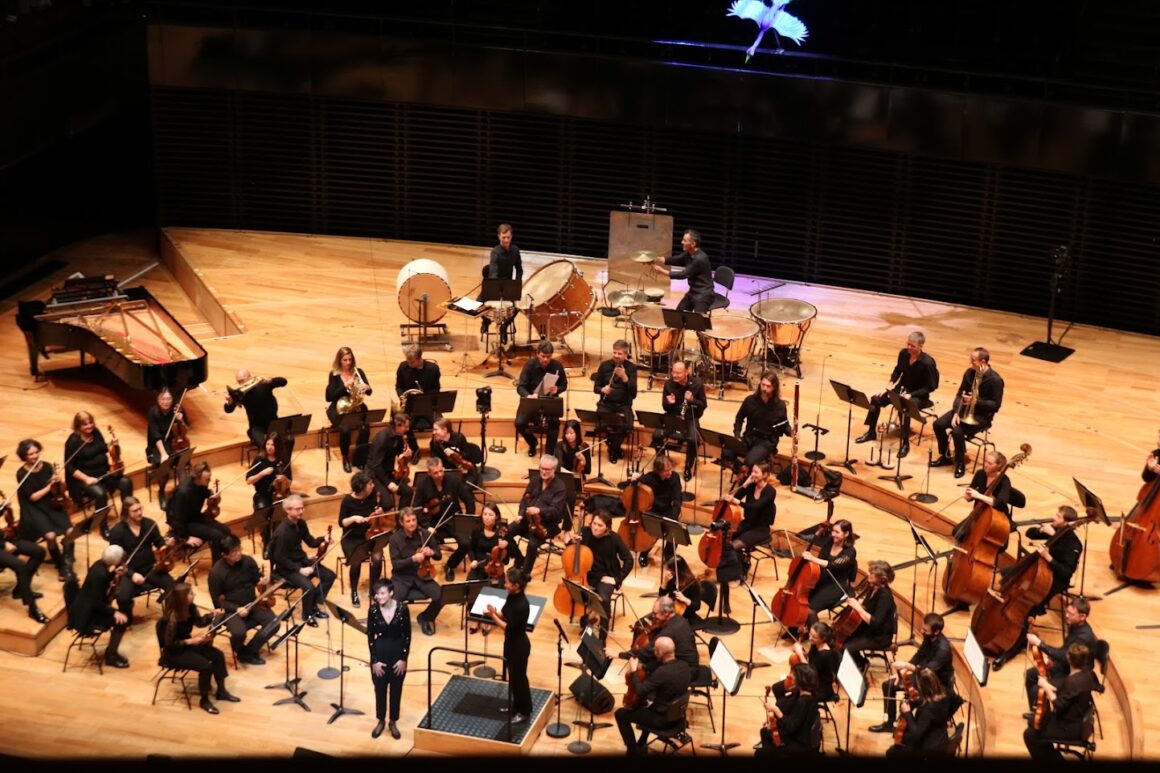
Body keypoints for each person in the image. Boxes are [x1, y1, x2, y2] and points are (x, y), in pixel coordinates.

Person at [992, 505, 1084, 671]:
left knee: (1027, 608)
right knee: (1006, 574)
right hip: (1039, 570)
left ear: (1067, 522)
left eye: (1058, 516)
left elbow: (1066, 572)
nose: (1054, 518)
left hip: (1053, 580)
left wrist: (1049, 557)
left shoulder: (1074, 544)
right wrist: (1044, 531)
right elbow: (1029, 533)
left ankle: (1010, 650)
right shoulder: (1055, 528)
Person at [157, 582, 239, 714]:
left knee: (217, 655)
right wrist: (192, 641)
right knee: (205, 667)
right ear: (182, 598)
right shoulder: (171, 618)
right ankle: (204, 700)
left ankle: (221, 691)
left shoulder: (190, 607)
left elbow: (199, 622)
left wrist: (212, 615)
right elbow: (169, 645)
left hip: (187, 645)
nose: (194, 595)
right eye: (190, 593)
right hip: (174, 653)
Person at [855, 332, 939, 459]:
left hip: (919, 396)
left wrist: (911, 395)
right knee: (875, 399)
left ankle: (905, 443)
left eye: (913, 346)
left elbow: (931, 386)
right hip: (901, 389)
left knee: (904, 407)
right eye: (908, 344)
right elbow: (898, 370)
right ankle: (871, 432)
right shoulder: (903, 354)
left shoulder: (928, 363)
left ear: (921, 346)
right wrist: (890, 383)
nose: (909, 348)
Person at [870, 612, 953, 732]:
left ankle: (912, 731)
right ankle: (889, 723)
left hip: (936, 685)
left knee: (907, 702)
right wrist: (902, 672)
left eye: (925, 630)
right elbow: (919, 656)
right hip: (923, 678)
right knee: (888, 685)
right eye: (923, 628)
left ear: (936, 632)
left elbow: (927, 671)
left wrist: (906, 665)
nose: (922, 631)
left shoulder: (943, 649)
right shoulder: (929, 637)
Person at [930, 348, 1004, 478]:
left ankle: (960, 463)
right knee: (938, 424)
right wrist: (956, 413)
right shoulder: (970, 373)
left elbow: (995, 405)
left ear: (983, 361)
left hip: (981, 416)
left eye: (973, 360)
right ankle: (946, 455)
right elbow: (960, 395)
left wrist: (976, 402)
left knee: (957, 431)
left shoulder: (995, 380)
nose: (970, 363)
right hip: (963, 411)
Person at [614, 635, 692, 755]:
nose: (653, 652)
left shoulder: (662, 672)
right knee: (647, 704)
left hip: (663, 720)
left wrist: (634, 670)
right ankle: (642, 742)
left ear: (660, 652)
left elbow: (640, 690)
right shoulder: (684, 666)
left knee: (620, 714)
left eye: (655, 650)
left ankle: (632, 751)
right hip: (678, 716)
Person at [1023, 643, 1100, 762]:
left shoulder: (1072, 681)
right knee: (1033, 722)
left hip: (1070, 726)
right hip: (1077, 718)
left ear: (1068, 659)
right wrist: (1048, 686)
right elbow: (1069, 695)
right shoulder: (1087, 674)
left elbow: (1058, 706)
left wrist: (1046, 687)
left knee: (1029, 735)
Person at [207, 535, 277, 666]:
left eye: (239, 549)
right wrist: (236, 609)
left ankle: (248, 652)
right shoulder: (216, 573)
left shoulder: (248, 561)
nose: (238, 553)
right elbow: (217, 602)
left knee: (274, 623)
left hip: (251, 603)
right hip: (230, 610)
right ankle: (241, 652)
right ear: (224, 555)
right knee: (239, 633)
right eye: (234, 552)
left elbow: (256, 579)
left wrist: (263, 582)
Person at [563, 511, 632, 639]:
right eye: (594, 523)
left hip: (605, 577)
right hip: (586, 575)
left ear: (607, 527)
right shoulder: (585, 532)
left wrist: (617, 579)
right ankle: (586, 619)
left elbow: (629, 560)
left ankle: (602, 637)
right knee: (576, 590)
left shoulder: (614, 538)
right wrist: (571, 542)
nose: (595, 527)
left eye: (600, 525)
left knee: (604, 600)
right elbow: (571, 552)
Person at [270, 494, 335, 626]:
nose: (301, 511)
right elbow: (279, 558)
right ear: (288, 510)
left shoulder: (301, 523)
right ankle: (307, 614)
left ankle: (314, 605)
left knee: (329, 576)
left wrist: (324, 539)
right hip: (287, 568)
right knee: (309, 587)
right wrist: (300, 570)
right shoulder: (282, 532)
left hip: (301, 561)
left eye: (302, 508)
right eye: (297, 509)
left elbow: (310, 542)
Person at [108, 496, 176, 623]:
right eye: (135, 511)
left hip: (150, 568)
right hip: (128, 571)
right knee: (122, 598)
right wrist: (132, 574)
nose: (139, 513)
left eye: (140, 509)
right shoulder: (117, 531)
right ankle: (127, 620)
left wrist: (166, 545)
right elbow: (116, 559)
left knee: (173, 586)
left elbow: (159, 542)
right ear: (126, 513)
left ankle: (168, 619)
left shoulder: (149, 524)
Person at [63, 411, 134, 534]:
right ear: (78, 426)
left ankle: (125, 517)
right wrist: (86, 479)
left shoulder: (95, 433)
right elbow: (69, 467)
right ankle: (103, 526)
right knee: (100, 493)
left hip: (104, 473)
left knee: (126, 482)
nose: (89, 426)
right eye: (85, 424)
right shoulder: (73, 440)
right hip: (84, 479)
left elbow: (103, 448)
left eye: (90, 422)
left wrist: (113, 445)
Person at [15, 438, 75, 581]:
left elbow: (57, 490)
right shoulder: (22, 474)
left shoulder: (47, 466)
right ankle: (61, 566)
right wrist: (49, 487)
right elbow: (33, 497)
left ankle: (67, 561)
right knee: (50, 536)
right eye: (30, 454)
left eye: (36, 452)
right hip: (34, 508)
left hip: (51, 503)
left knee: (70, 532)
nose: (35, 456)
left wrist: (58, 483)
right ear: (24, 456)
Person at [1023, 597, 1096, 711]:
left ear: (1082, 617)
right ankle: (1037, 712)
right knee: (1030, 674)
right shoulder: (1075, 625)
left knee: (1037, 689)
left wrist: (1040, 644)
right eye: (1067, 611)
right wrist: (1051, 658)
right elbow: (1065, 649)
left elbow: (1065, 656)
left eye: (1071, 614)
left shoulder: (1084, 637)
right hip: (1066, 665)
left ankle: (1044, 720)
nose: (1066, 615)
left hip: (1075, 673)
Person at [412, 457, 475, 581]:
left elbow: (468, 499)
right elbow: (417, 508)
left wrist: (468, 518)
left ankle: (450, 566)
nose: (440, 474)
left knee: (465, 543)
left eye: (441, 471)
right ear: (429, 473)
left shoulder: (453, 481)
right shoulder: (423, 485)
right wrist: (426, 526)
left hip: (453, 519)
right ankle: (426, 569)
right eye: (436, 472)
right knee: (426, 546)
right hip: (433, 523)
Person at [69, 544, 130, 668]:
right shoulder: (100, 576)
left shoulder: (99, 564)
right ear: (116, 561)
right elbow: (96, 603)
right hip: (86, 616)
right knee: (121, 621)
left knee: (120, 616)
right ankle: (111, 656)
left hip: (86, 606)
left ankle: (111, 653)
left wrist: (116, 575)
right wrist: (114, 612)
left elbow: (105, 582)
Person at [485, 567, 533, 724]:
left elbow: (509, 627)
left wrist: (492, 617)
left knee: (519, 680)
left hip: (519, 646)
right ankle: (516, 707)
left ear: (516, 585)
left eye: (507, 583)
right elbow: (505, 614)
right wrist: (495, 612)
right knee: (513, 678)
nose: (504, 585)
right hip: (511, 643)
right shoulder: (512, 597)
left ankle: (524, 711)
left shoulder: (522, 605)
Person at [506, 455, 567, 577]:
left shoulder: (560, 488)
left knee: (533, 544)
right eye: (542, 468)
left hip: (546, 525)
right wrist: (520, 514)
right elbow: (525, 498)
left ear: (554, 469)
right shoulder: (535, 480)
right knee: (505, 532)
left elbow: (556, 511)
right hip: (528, 520)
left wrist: (539, 510)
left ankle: (525, 573)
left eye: (547, 469)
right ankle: (519, 559)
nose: (543, 472)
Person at [388, 508, 443, 636]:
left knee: (441, 596)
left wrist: (432, 552)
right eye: (408, 521)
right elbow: (396, 565)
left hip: (423, 575)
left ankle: (425, 617)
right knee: (393, 602)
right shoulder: (394, 539)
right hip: (402, 577)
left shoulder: (424, 534)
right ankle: (396, 625)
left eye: (414, 520)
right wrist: (411, 559)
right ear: (401, 523)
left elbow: (439, 555)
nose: (412, 523)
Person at [368, 579, 411, 740]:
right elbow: (371, 637)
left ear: (391, 593)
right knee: (379, 690)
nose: (379, 596)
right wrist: (374, 661)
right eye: (377, 594)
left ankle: (393, 721)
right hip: (380, 654)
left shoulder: (402, 609)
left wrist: (403, 658)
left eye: (382, 593)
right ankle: (380, 720)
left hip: (397, 655)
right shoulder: (372, 610)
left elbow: (407, 635)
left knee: (396, 690)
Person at [610, 596, 699, 671]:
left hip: (685, 670)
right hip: (686, 662)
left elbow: (645, 652)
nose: (653, 616)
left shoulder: (669, 632)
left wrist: (618, 655)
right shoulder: (679, 619)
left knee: (646, 666)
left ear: (666, 613)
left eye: (655, 613)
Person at [166, 461, 231, 564]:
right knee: (216, 535)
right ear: (198, 477)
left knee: (226, 530)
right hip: (185, 524)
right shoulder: (183, 492)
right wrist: (186, 538)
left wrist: (211, 494)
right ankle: (217, 568)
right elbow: (178, 519)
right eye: (207, 479)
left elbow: (203, 492)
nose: (209, 480)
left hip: (195, 517)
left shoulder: (200, 484)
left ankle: (227, 560)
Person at [836, 560, 897, 671]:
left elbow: (875, 623)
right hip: (867, 629)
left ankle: (861, 663)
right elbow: (867, 608)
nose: (868, 574)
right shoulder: (873, 587)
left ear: (882, 579)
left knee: (845, 648)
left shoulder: (885, 597)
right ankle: (851, 662)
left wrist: (858, 608)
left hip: (879, 636)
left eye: (872, 574)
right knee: (840, 639)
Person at [338, 471, 387, 607]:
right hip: (352, 537)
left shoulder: (374, 495)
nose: (373, 485)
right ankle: (354, 590)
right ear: (362, 487)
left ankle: (374, 588)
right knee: (357, 559)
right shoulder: (348, 500)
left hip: (370, 535)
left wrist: (380, 513)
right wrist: (354, 518)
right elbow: (341, 522)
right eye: (370, 484)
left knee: (377, 556)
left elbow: (381, 516)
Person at [654, 360, 707, 481]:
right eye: (673, 372)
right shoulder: (669, 384)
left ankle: (688, 466)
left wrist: (692, 400)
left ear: (686, 372)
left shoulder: (696, 384)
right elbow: (664, 406)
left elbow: (703, 405)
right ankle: (662, 465)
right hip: (673, 416)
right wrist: (669, 403)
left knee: (694, 440)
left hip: (689, 418)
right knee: (656, 435)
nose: (675, 375)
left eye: (678, 373)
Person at [515, 341, 568, 457]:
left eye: (548, 357)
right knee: (519, 423)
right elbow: (521, 387)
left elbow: (564, 385)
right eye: (543, 356)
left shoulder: (557, 366)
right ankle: (533, 443)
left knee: (554, 423)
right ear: (537, 354)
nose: (545, 359)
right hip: (532, 401)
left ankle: (549, 453)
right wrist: (528, 396)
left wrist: (557, 389)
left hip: (549, 400)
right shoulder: (529, 365)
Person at [886, 667, 954, 757]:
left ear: (922, 688)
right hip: (940, 738)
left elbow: (916, 734)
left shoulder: (929, 709)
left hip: (929, 750)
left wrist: (907, 713)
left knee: (891, 753)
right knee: (902, 738)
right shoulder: (943, 693)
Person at [325, 346, 373, 474]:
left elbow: (369, 392)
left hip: (355, 406)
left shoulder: (358, 372)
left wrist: (367, 387)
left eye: (350, 360)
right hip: (338, 407)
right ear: (339, 360)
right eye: (345, 360)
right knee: (345, 429)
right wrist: (344, 386)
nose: (348, 363)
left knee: (364, 428)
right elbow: (329, 397)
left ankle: (359, 455)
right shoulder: (334, 375)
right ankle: (345, 457)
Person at [629, 454, 682, 567]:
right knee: (652, 531)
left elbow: (677, 499)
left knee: (674, 529)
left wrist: (674, 517)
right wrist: (633, 479)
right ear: (658, 471)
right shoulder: (649, 478)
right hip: (653, 509)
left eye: (670, 469)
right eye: (666, 471)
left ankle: (668, 554)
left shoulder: (675, 477)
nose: (669, 472)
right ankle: (644, 552)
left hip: (668, 509)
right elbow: (633, 487)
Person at [802, 519, 858, 626]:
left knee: (810, 610)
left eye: (837, 532)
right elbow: (821, 558)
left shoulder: (850, 552)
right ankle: (796, 629)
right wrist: (817, 534)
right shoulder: (829, 542)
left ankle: (818, 638)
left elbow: (833, 564)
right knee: (801, 603)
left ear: (846, 534)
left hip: (835, 585)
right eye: (832, 531)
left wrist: (812, 558)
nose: (833, 534)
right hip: (819, 580)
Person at [224, 369, 294, 454]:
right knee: (267, 445)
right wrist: (230, 403)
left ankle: (285, 466)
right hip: (257, 427)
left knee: (288, 440)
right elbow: (228, 410)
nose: (241, 383)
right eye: (239, 382)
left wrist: (271, 380)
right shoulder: (240, 394)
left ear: (250, 377)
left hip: (273, 422)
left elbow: (284, 381)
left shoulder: (263, 385)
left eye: (243, 380)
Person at [758, 662, 821, 755]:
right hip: (799, 733)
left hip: (801, 744)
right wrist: (775, 723)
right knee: (764, 732)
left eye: (792, 677)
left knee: (760, 753)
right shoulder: (809, 694)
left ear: (800, 680)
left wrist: (775, 710)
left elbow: (791, 726)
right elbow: (795, 719)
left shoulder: (803, 701)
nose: (789, 678)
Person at [733, 372, 792, 470]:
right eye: (763, 385)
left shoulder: (780, 406)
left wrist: (792, 433)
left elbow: (784, 425)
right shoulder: (750, 400)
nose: (764, 389)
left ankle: (746, 475)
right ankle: (743, 473)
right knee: (727, 453)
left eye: (768, 386)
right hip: (750, 436)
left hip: (766, 441)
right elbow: (739, 418)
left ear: (774, 387)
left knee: (749, 461)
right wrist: (737, 435)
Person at [244, 431, 291, 557]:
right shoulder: (260, 459)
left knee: (278, 517)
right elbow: (248, 480)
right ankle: (267, 543)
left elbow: (290, 481)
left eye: (273, 445)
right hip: (263, 494)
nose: (269, 447)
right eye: (268, 444)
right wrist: (262, 473)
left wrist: (284, 479)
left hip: (279, 494)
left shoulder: (283, 460)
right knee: (264, 516)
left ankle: (276, 543)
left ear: (278, 447)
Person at [593, 339, 637, 463]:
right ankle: (615, 448)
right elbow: (595, 388)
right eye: (615, 353)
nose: (616, 356)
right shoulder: (604, 366)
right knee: (600, 425)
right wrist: (602, 389)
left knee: (627, 426)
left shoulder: (632, 368)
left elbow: (633, 394)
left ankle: (613, 447)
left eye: (620, 353)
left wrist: (624, 377)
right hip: (606, 404)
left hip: (623, 406)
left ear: (626, 354)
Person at [774, 622, 840, 703]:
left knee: (784, 700)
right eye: (810, 634)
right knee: (776, 688)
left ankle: (791, 711)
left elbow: (811, 672)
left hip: (818, 688)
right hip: (808, 681)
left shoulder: (826, 654)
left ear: (823, 638)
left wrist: (800, 653)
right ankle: (787, 710)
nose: (810, 638)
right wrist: (801, 650)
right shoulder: (815, 645)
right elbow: (810, 659)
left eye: (814, 636)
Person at [651, 229, 713, 313]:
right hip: (693, 291)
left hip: (704, 294)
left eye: (684, 240)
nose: (681, 242)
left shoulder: (700, 259)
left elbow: (683, 275)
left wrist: (661, 271)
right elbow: (675, 259)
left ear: (693, 244)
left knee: (698, 321)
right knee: (678, 316)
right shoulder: (688, 253)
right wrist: (654, 259)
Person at [145, 387, 188, 505]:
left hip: (175, 442)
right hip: (157, 445)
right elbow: (155, 435)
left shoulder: (178, 410)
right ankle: (161, 492)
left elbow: (186, 428)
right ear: (158, 400)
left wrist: (181, 419)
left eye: (168, 398)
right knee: (165, 466)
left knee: (181, 465)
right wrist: (163, 453)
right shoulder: (153, 412)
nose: (166, 402)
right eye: (163, 399)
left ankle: (183, 495)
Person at [481, 223, 522, 344]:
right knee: (478, 305)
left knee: (518, 307)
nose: (506, 240)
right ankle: (486, 321)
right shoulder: (495, 252)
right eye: (503, 237)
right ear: (499, 237)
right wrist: (496, 289)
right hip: (495, 284)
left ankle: (504, 326)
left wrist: (517, 284)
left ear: (511, 237)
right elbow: (493, 272)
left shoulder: (515, 250)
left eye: (508, 237)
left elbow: (519, 269)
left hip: (509, 285)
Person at [368, 413, 419, 510]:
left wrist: (405, 454)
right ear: (398, 425)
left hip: (389, 472)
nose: (408, 429)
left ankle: (401, 520)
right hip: (375, 474)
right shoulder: (382, 438)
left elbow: (397, 452)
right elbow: (376, 465)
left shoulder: (399, 435)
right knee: (387, 504)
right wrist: (388, 483)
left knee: (409, 492)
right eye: (406, 427)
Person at [1, 522, 49, 622]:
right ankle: (32, 608)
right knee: (20, 566)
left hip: (4, 539)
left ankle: (20, 590)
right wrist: (3, 544)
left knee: (39, 552)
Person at [726, 462, 777, 552]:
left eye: (756, 472)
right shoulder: (751, 486)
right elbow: (737, 497)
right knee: (725, 539)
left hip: (760, 529)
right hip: (747, 523)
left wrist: (738, 502)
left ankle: (739, 564)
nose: (752, 474)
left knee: (732, 546)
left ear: (765, 474)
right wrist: (746, 483)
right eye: (752, 471)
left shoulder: (770, 491)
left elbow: (755, 507)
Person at [395, 344, 441, 431]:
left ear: (419, 358)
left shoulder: (433, 369)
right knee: (401, 426)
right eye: (407, 361)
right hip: (409, 406)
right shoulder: (402, 367)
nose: (409, 364)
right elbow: (399, 386)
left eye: (412, 362)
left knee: (440, 424)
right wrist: (402, 397)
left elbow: (436, 389)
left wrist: (423, 396)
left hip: (428, 406)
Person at [660, 554, 712, 627]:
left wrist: (684, 599)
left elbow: (697, 606)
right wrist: (665, 581)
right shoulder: (672, 578)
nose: (668, 572)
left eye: (670, 570)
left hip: (686, 613)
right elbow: (661, 595)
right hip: (672, 608)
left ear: (678, 570)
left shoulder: (693, 584)